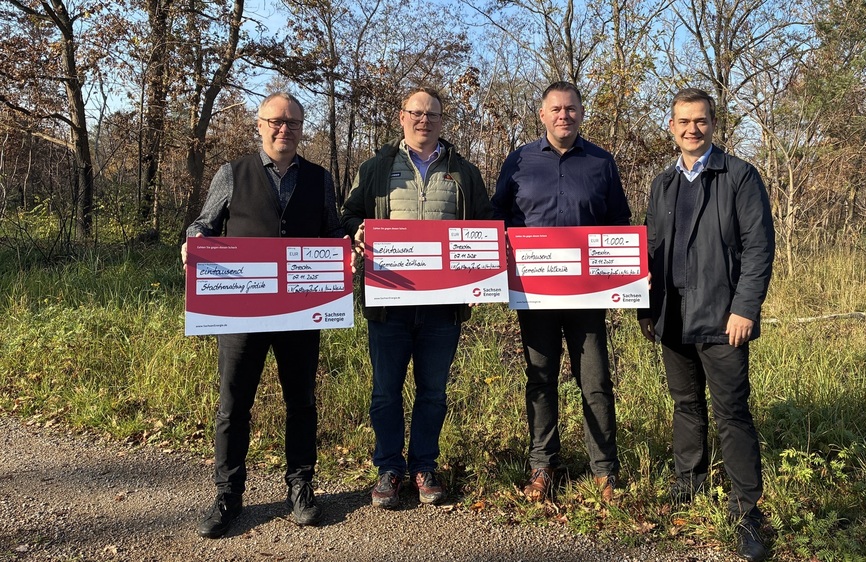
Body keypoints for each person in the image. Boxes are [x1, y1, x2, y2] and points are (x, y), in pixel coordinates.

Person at [182, 92, 345, 538]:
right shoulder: (232, 173)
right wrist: (192, 244)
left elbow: (332, 230)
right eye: (276, 121)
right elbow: (204, 224)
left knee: (302, 401)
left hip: (301, 310)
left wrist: (345, 249)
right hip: (241, 311)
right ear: (259, 124)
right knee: (233, 405)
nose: (284, 129)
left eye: (293, 123)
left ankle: (300, 486)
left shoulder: (320, 178)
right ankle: (228, 494)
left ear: (301, 129)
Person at [637, 88, 775, 562]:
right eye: (684, 121)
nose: (692, 129)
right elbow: (650, 249)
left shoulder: (738, 176)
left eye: (700, 121)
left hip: (722, 316)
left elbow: (758, 248)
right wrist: (645, 308)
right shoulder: (663, 183)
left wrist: (745, 308)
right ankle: (689, 483)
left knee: (731, 412)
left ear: (714, 124)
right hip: (672, 315)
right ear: (671, 127)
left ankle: (746, 510)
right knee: (685, 405)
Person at [341, 86, 492, 509]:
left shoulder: (464, 172)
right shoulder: (375, 168)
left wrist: (480, 278)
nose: (425, 120)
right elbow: (349, 213)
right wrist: (357, 231)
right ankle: (389, 468)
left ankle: (424, 465)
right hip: (388, 302)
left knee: (433, 393)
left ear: (442, 121)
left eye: (433, 114)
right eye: (417, 113)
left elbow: (485, 224)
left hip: (443, 305)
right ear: (402, 117)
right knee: (385, 392)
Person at [492, 81, 631, 503]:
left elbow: (619, 223)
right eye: (555, 109)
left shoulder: (601, 162)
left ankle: (604, 470)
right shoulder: (519, 161)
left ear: (581, 113)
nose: (563, 115)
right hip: (534, 294)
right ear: (542, 115)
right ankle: (543, 465)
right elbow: (497, 218)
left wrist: (624, 273)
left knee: (596, 381)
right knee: (540, 378)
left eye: (570, 109)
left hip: (588, 295)